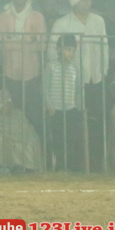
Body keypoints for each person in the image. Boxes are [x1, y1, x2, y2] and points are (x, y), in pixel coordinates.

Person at [49, 0, 109, 171]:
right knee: (73, 123)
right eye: (83, 0)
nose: (87, 3)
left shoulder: (98, 20)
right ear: (74, 3)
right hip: (70, 81)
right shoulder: (62, 23)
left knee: (95, 122)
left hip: (95, 78)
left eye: (89, 0)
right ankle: (73, 163)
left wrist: (104, 71)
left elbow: (104, 46)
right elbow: (52, 52)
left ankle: (94, 162)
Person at [0, 0, 46, 133]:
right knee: (14, 113)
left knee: (34, 114)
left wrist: (14, 39)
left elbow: (42, 45)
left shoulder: (37, 17)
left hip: (32, 74)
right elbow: (3, 44)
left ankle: (35, 144)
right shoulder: (2, 17)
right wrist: (28, 40)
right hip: (10, 73)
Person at [44, 33, 85, 172]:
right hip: (56, 110)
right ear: (59, 49)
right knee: (58, 139)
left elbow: (78, 90)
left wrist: (79, 107)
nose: (71, 53)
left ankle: (71, 166)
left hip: (71, 108)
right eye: (68, 49)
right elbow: (45, 88)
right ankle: (60, 165)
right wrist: (50, 107)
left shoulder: (75, 69)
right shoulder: (51, 67)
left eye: (73, 50)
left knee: (72, 138)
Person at [0, 89, 43, 173]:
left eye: (9, 102)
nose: (8, 105)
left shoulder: (18, 114)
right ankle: (4, 168)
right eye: (5, 102)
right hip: (5, 141)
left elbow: (28, 129)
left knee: (33, 140)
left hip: (23, 140)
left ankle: (29, 170)